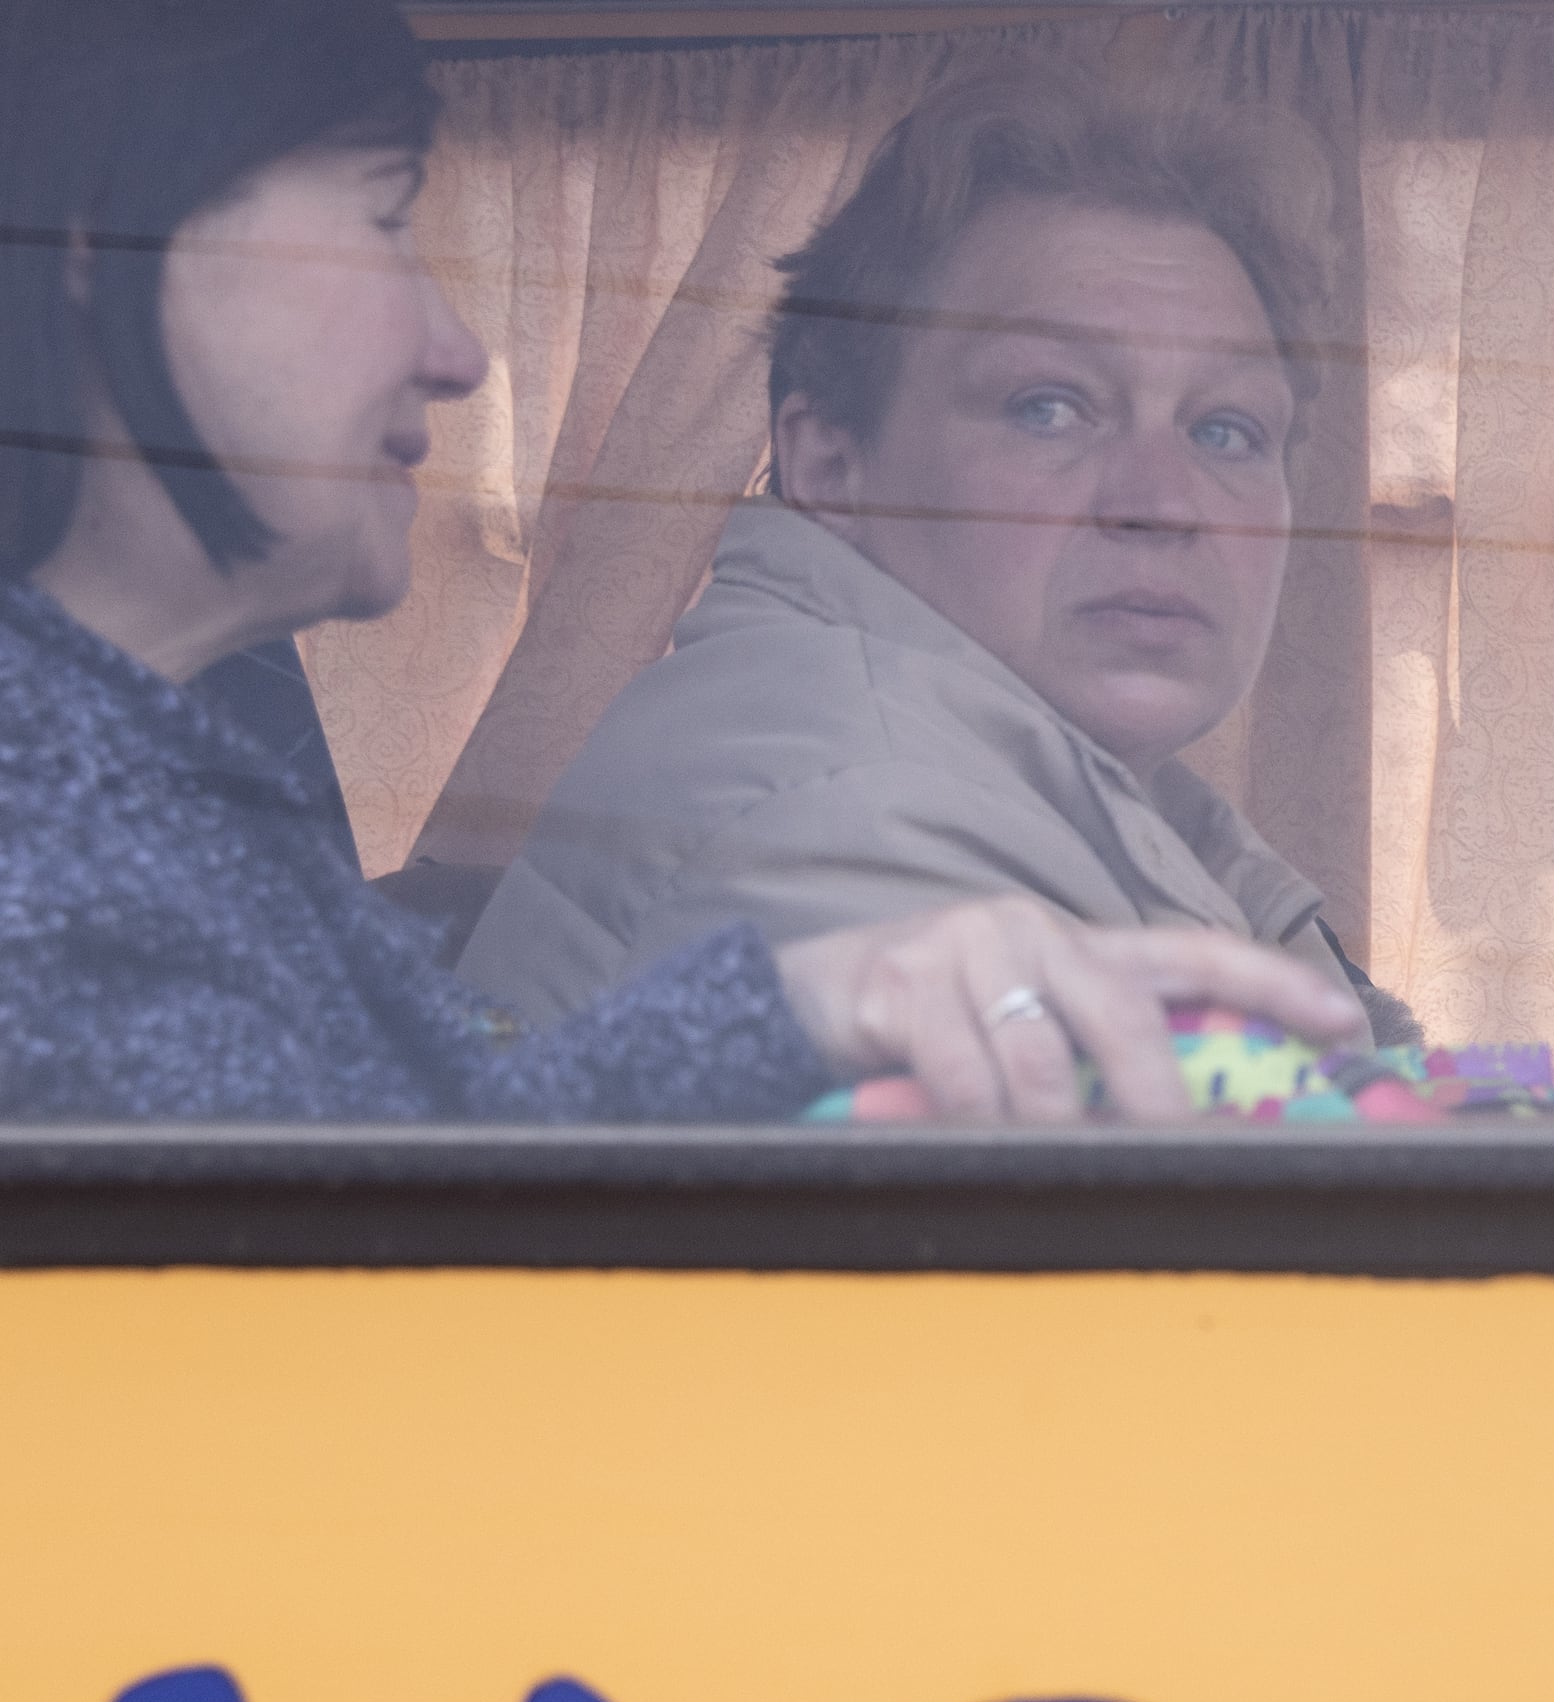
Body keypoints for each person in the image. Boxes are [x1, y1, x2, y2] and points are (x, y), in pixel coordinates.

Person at [0, 0, 1360, 1129]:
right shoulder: (48, 816)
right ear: (97, 238)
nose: (455, 348)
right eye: (385, 217)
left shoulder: (138, 772)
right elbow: (312, 1313)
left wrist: (784, 1010)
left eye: (1233, 428)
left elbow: (383, 1149)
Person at [461, 65, 1404, 1042]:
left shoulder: (1042, 796)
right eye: (1047, 406)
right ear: (830, 462)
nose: (1163, 503)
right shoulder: (852, 832)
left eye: (1225, 430)